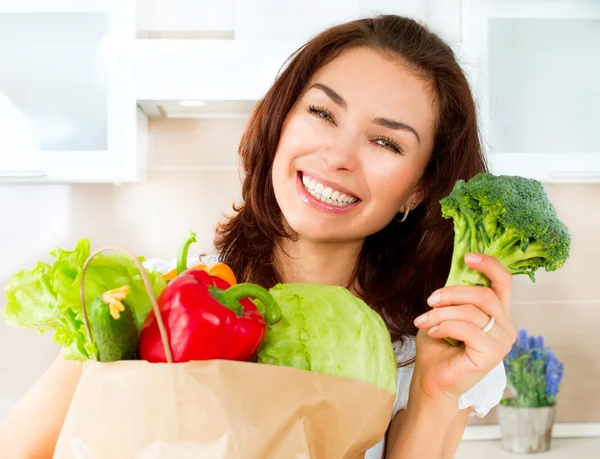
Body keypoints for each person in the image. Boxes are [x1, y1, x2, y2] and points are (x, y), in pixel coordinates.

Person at [0, 15, 516, 459]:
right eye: (321, 112)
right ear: (280, 122)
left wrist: (433, 394)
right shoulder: (150, 299)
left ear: (419, 188)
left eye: (385, 141)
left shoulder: (423, 355)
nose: (337, 155)